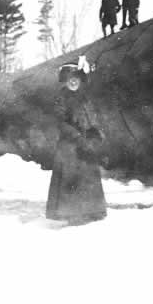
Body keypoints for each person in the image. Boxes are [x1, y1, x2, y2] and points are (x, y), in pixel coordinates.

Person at [46, 63, 107, 225]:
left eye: (76, 79)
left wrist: (97, 132)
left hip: (86, 143)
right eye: (70, 80)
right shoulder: (61, 97)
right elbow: (61, 122)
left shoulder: (84, 97)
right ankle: (71, 214)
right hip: (70, 145)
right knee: (71, 178)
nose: (73, 82)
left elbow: (91, 117)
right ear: (65, 81)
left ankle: (92, 211)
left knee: (89, 176)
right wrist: (77, 137)